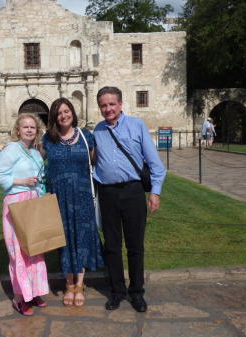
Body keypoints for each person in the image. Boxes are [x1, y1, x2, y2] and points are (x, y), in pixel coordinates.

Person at [93, 86, 166, 312]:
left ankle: (136, 292)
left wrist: (155, 192)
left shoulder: (137, 126)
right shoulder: (97, 130)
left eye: (112, 104)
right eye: (104, 105)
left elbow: (155, 164)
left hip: (133, 192)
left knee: (135, 246)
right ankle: (117, 291)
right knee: (112, 247)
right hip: (107, 194)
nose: (108, 109)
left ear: (121, 104)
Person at [41, 97, 104, 307]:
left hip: (83, 196)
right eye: (59, 113)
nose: (63, 115)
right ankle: (68, 284)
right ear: (54, 117)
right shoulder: (48, 139)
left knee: (82, 237)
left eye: (66, 111)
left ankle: (80, 283)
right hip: (58, 198)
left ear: (72, 113)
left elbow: (95, 161)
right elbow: (34, 160)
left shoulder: (86, 136)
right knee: (65, 239)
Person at [0, 113, 49, 316]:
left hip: (33, 202)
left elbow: (40, 179)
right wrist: (23, 182)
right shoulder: (11, 149)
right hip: (16, 203)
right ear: (18, 130)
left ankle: (33, 292)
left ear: (37, 131)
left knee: (34, 249)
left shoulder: (35, 153)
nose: (29, 130)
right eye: (25, 127)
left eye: (32, 127)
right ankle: (19, 298)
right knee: (18, 252)